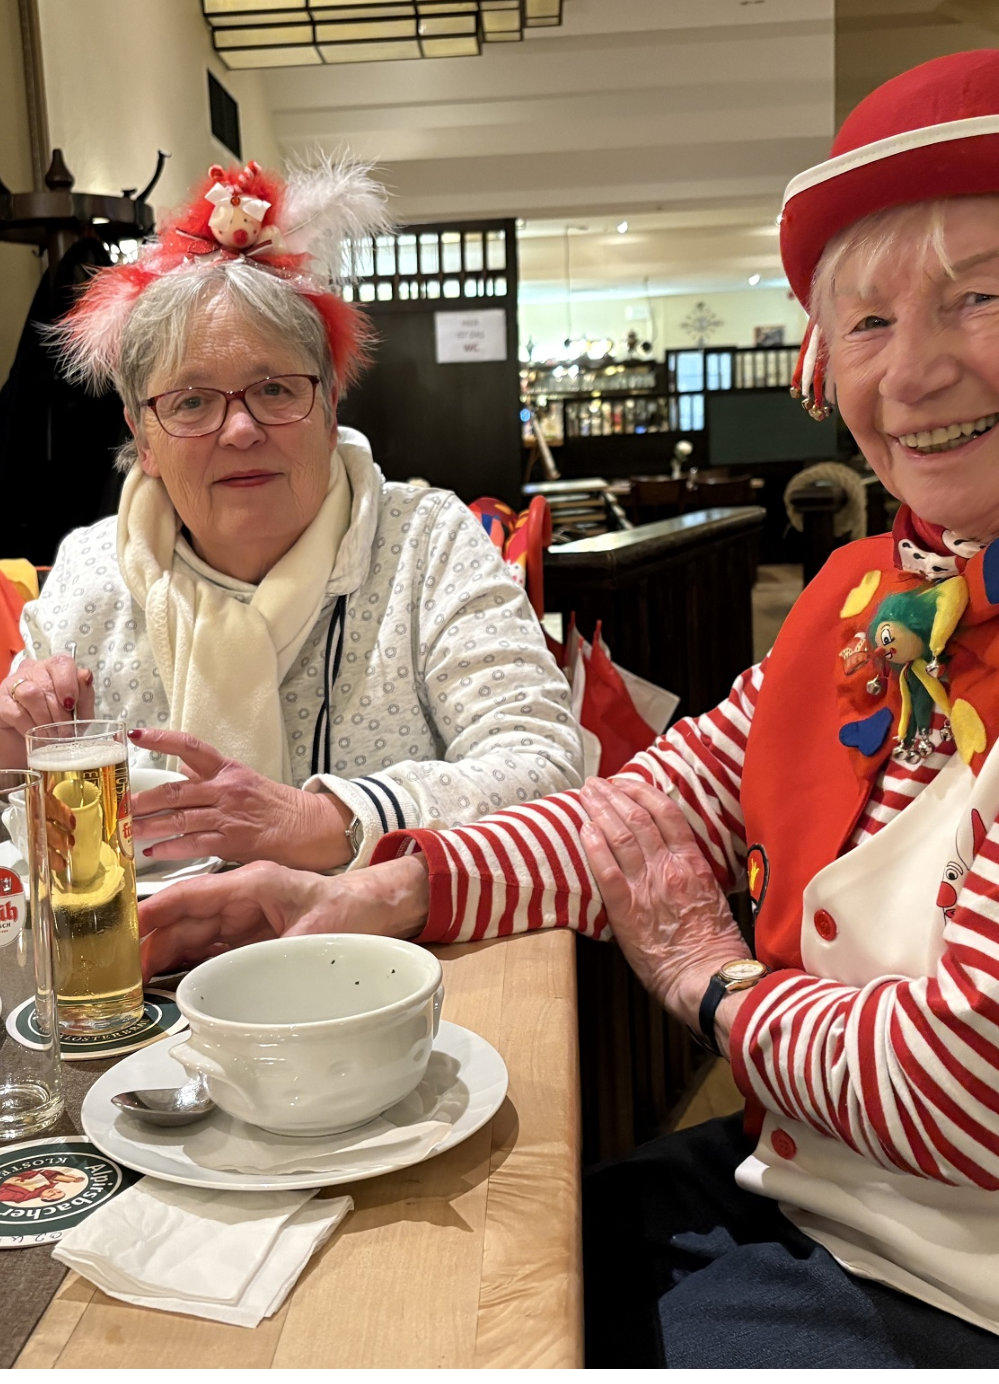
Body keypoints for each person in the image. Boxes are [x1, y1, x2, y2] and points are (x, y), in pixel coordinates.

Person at [139, 52, 999, 1365]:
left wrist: (706, 980)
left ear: (329, 398)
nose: (915, 373)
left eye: (978, 296)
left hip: (948, 1285)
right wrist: (373, 889)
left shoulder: (428, 536)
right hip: (816, 1180)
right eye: (870, 321)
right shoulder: (862, 600)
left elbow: (962, 1094)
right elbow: (647, 805)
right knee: (442, 1271)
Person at [0, 158, 582, 870]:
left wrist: (326, 820)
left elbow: (545, 763)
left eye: (275, 390)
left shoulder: (425, 544)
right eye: (191, 401)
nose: (240, 429)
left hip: (370, 932)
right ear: (142, 436)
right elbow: (30, 826)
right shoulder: (92, 572)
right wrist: (12, 754)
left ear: (330, 407)